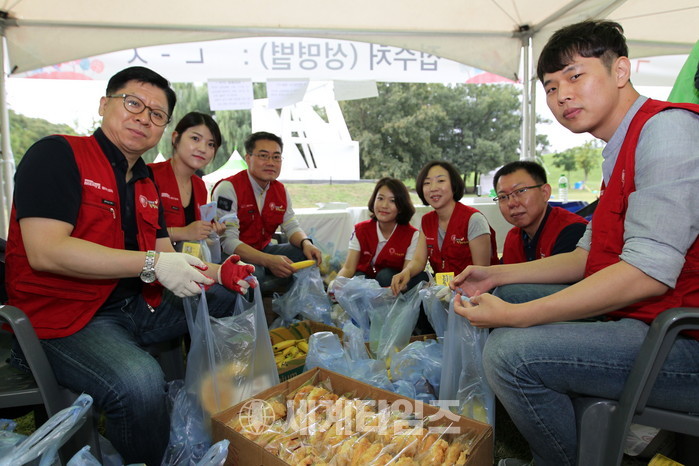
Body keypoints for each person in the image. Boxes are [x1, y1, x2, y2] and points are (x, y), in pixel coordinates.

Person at [451, 21, 699, 466]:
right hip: (645, 321)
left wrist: (517, 317)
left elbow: (647, 273)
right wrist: (495, 274)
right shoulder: (619, 148)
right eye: (550, 87)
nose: (561, 95)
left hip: (680, 340)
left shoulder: (667, 130)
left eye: (575, 76)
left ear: (620, 70)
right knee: (505, 293)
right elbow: (587, 256)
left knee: (509, 355)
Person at [5, 66, 254, 465]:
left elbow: (166, 256)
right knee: (139, 382)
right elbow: (45, 251)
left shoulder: (145, 183)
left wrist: (220, 272)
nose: (143, 118)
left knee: (227, 297)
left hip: (132, 306)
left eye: (157, 114)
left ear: (163, 128)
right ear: (104, 104)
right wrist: (152, 263)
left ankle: (210, 411)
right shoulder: (58, 155)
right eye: (133, 103)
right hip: (64, 318)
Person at [212, 131, 322, 286]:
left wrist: (306, 243)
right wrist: (269, 261)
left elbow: (291, 225)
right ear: (248, 158)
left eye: (276, 157)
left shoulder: (280, 190)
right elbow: (228, 242)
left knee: (305, 255)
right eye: (263, 156)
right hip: (233, 254)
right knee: (254, 273)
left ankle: (290, 300)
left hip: (264, 249)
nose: (271, 162)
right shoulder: (228, 188)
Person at [390, 160, 498, 296]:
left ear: (453, 185)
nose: (433, 188)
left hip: (474, 293)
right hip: (442, 291)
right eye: (427, 183)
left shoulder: (473, 219)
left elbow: (481, 272)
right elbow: (418, 260)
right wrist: (406, 272)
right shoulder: (427, 221)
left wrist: (453, 291)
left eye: (440, 181)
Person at [148, 111, 226, 253]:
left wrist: (209, 231)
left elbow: (195, 235)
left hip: (188, 259)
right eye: (195, 138)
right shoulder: (150, 176)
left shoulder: (200, 186)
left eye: (211, 144)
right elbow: (138, 231)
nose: (203, 149)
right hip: (153, 261)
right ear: (175, 138)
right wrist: (183, 232)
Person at [335, 177, 427, 289]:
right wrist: (335, 286)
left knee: (385, 276)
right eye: (380, 198)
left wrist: (389, 291)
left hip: (393, 285)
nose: (384, 205)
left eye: (392, 201)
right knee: (357, 279)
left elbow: (405, 274)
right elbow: (348, 268)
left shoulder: (412, 236)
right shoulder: (360, 230)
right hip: (367, 282)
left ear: (401, 207)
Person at [494, 161, 587, 265]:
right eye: (502, 197)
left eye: (520, 191)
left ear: (545, 193)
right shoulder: (513, 237)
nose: (511, 203)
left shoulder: (572, 231)